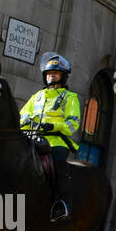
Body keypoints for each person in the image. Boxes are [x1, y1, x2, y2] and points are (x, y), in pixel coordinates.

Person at [18, 53, 81, 222]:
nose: (50, 76)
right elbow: (21, 117)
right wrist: (27, 121)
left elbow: (72, 125)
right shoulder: (36, 97)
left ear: (64, 77)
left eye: (55, 73)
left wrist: (53, 126)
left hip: (57, 142)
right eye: (48, 74)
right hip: (34, 139)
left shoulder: (70, 98)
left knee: (58, 166)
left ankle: (62, 204)